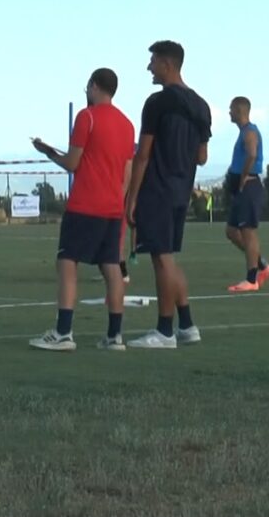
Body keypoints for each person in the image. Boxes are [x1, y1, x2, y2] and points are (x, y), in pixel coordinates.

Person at [28, 68, 136, 351]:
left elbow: (72, 164)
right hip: (113, 207)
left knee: (67, 262)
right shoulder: (127, 125)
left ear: (94, 86)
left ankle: (64, 332)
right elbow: (127, 171)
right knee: (112, 267)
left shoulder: (86, 117)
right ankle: (115, 336)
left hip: (85, 204)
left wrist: (48, 152)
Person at [125, 40, 212, 349]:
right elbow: (202, 157)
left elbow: (143, 154)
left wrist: (131, 197)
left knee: (161, 260)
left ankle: (164, 331)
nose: (149, 68)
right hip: (181, 191)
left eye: (152, 61)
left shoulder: (157, 103)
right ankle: (187, 325)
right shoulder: (201, 106)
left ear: (167, 63)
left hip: (157, 189)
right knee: (169, 258)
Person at [225, 96, 269, 292]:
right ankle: (263, 265)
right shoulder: (243, 132)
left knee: (248, 232)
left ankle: (251, 279)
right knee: (231, 231)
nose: (229, 112)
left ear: (239, 110)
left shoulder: (250, 132)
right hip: (241, 190)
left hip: (250, 188)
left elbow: (252, 155)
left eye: (231, 109)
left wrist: (244, 177)